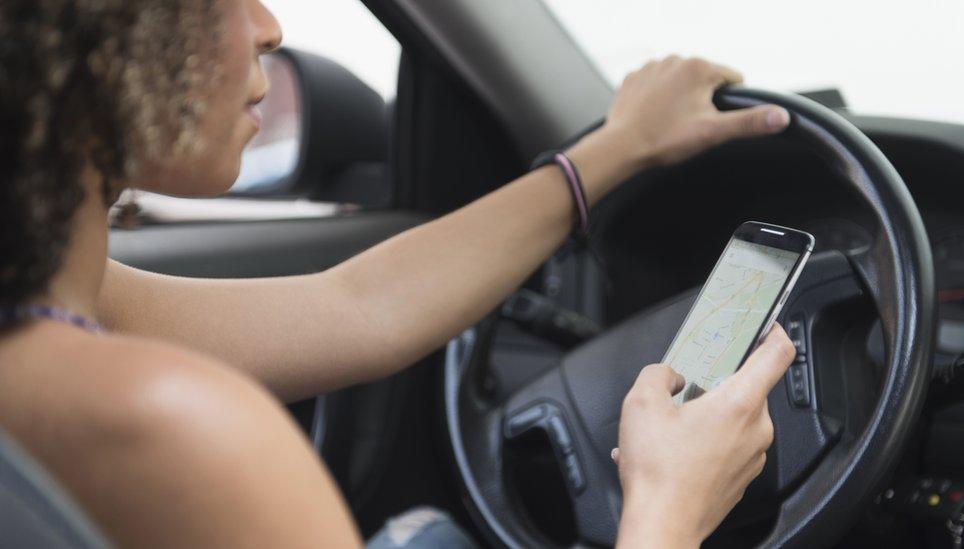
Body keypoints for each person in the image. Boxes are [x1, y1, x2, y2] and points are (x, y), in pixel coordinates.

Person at [0, 1, 796, 547]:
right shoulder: (175, 429)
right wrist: (670, 505)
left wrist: (614, 148)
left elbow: (354, 306)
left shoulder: (54, 313)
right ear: (86, 37)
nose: (268, 27)